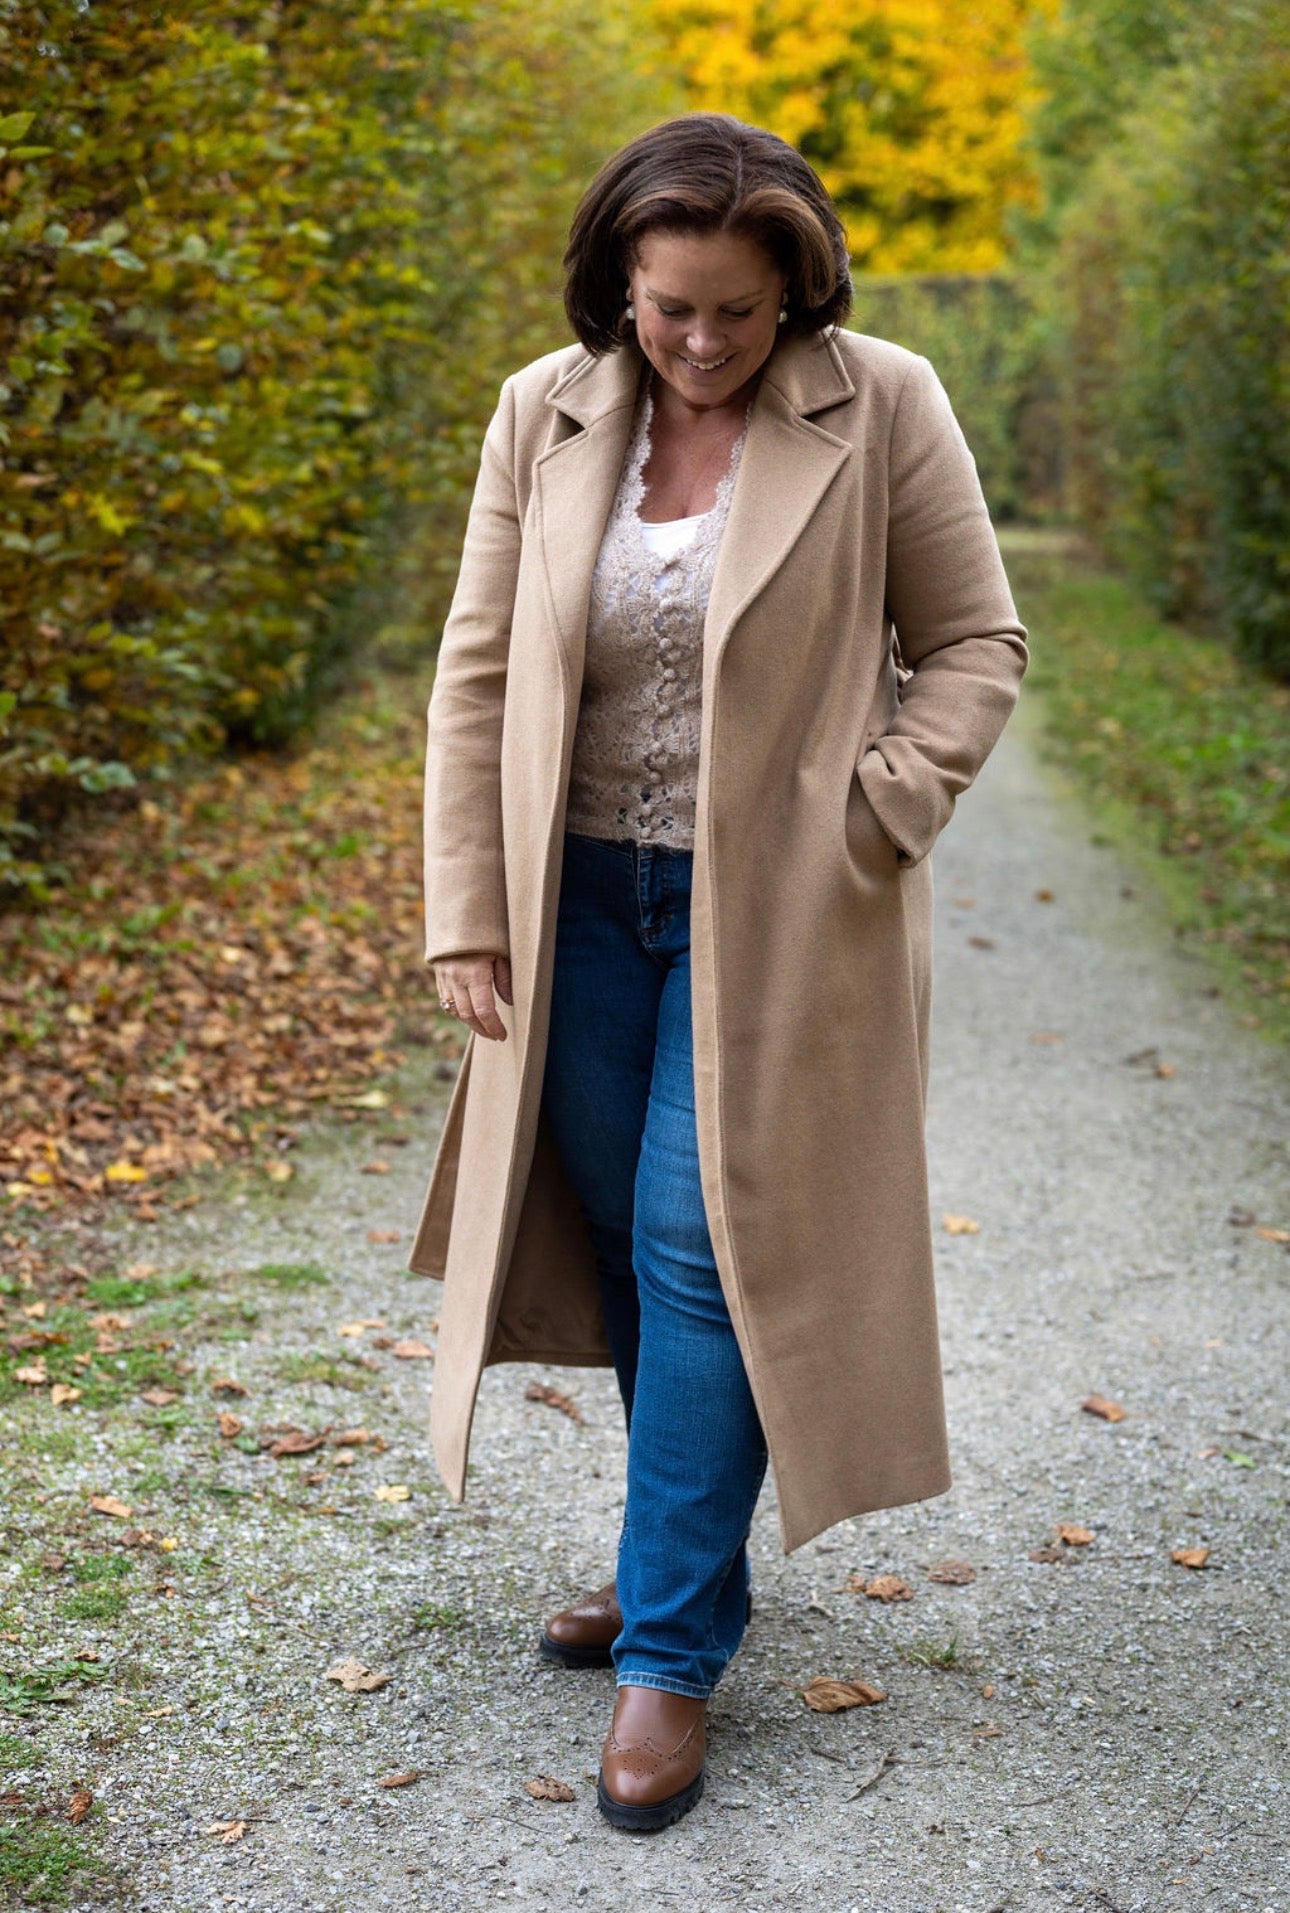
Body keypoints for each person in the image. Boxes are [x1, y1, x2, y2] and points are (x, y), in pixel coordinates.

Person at [410, 111, 1029, 1832]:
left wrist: (878, 809)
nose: (698, 343)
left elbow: (974, 640)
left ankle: (668, 1653)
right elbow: (476, 671)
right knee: (625, 1244)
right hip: (576, 902)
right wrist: (468, 906)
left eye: (736, 314)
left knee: (702, 1250)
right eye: (668, 307)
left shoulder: (881, 401)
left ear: (795, 295)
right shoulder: (542, 411)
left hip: (784, 916)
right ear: (617, 282)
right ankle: (668, 1558)